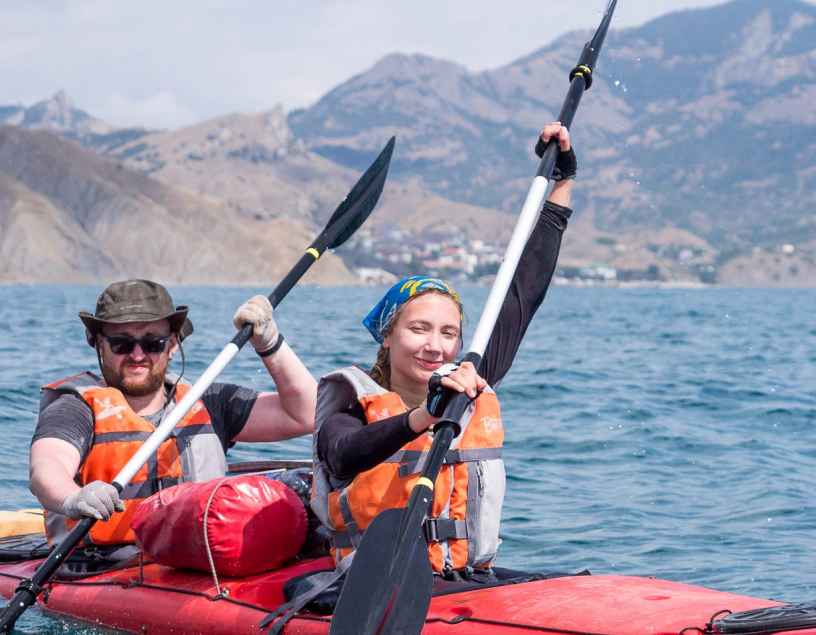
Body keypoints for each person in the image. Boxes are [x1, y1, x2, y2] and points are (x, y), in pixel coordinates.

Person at [311, 122, 574, 580]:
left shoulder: (466, 382)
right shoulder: (353, 403)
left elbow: (524, 292)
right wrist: (422, 416)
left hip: (466, 579)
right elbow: (344, 454)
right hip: (372, 586)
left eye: (448, 333)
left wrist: (563, 179)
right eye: (418, 329)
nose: (435, 346)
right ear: (388, 336)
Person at [30, 279, 316, 550]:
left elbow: (307, 414)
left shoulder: (209, 401)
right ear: (99, 345)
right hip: (100, 567)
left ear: (173, 344)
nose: (139, 355)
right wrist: (72, 498)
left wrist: (270, 345)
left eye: (153, 342)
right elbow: (47, 467)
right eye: (122, 343)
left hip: (198, 564)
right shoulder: (75, 407)